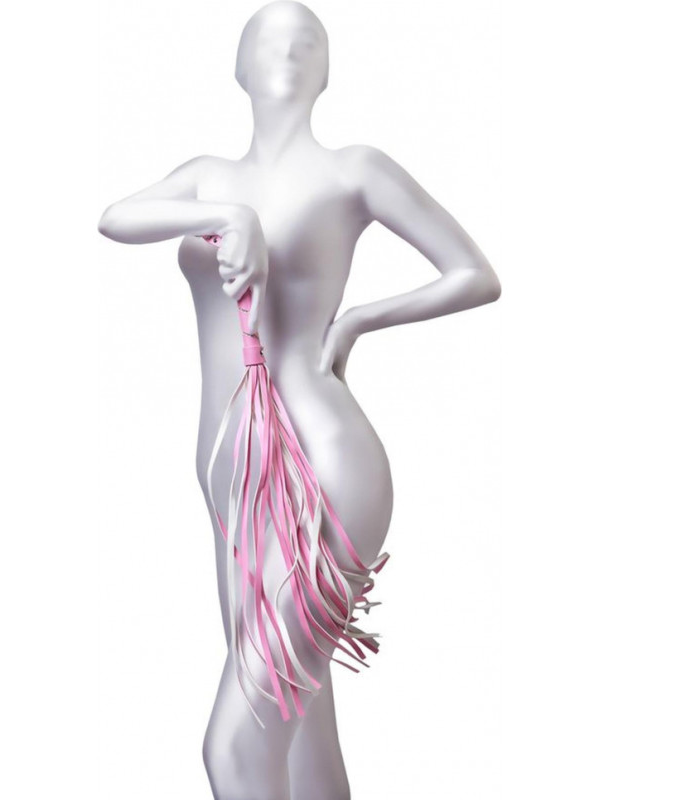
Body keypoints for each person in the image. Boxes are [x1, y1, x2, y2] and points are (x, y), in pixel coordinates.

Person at [98, 2, 501, 798]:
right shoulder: (207, 178)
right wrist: (230, 216)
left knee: (236, 746)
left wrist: (357, 320)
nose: (288, 48)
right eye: (270, 38)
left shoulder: (354, 168)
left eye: (308, 39)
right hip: (232, 464)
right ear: (238, 68)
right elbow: (114, 218)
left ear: (327, 72)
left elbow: (475, 274)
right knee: (300, 726)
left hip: (323, 453)